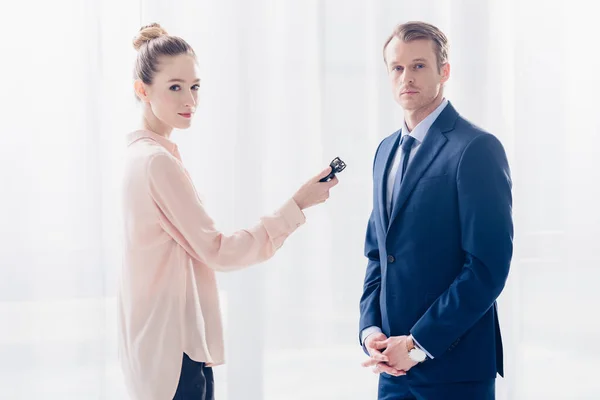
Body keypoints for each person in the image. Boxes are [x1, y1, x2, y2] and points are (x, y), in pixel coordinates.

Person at [118, 23, 339, 400]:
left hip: (153, 349)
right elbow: (220, 251)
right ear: (143, 90)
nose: (190, 99)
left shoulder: (137, 157)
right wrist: (298, 204)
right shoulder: (157, 163)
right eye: (175, 87)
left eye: (195, 86)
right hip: (175, 355)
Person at [358, 21, 513, 400]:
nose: (406, 77)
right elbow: (379, 255)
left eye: (419, 65)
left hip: (454, 372)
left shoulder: (475, 148)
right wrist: (370, 331)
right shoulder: (384, 152)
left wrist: (416, 345)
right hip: (392, 371)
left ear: (445, 71)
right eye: (397, 67)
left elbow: (486, 269)